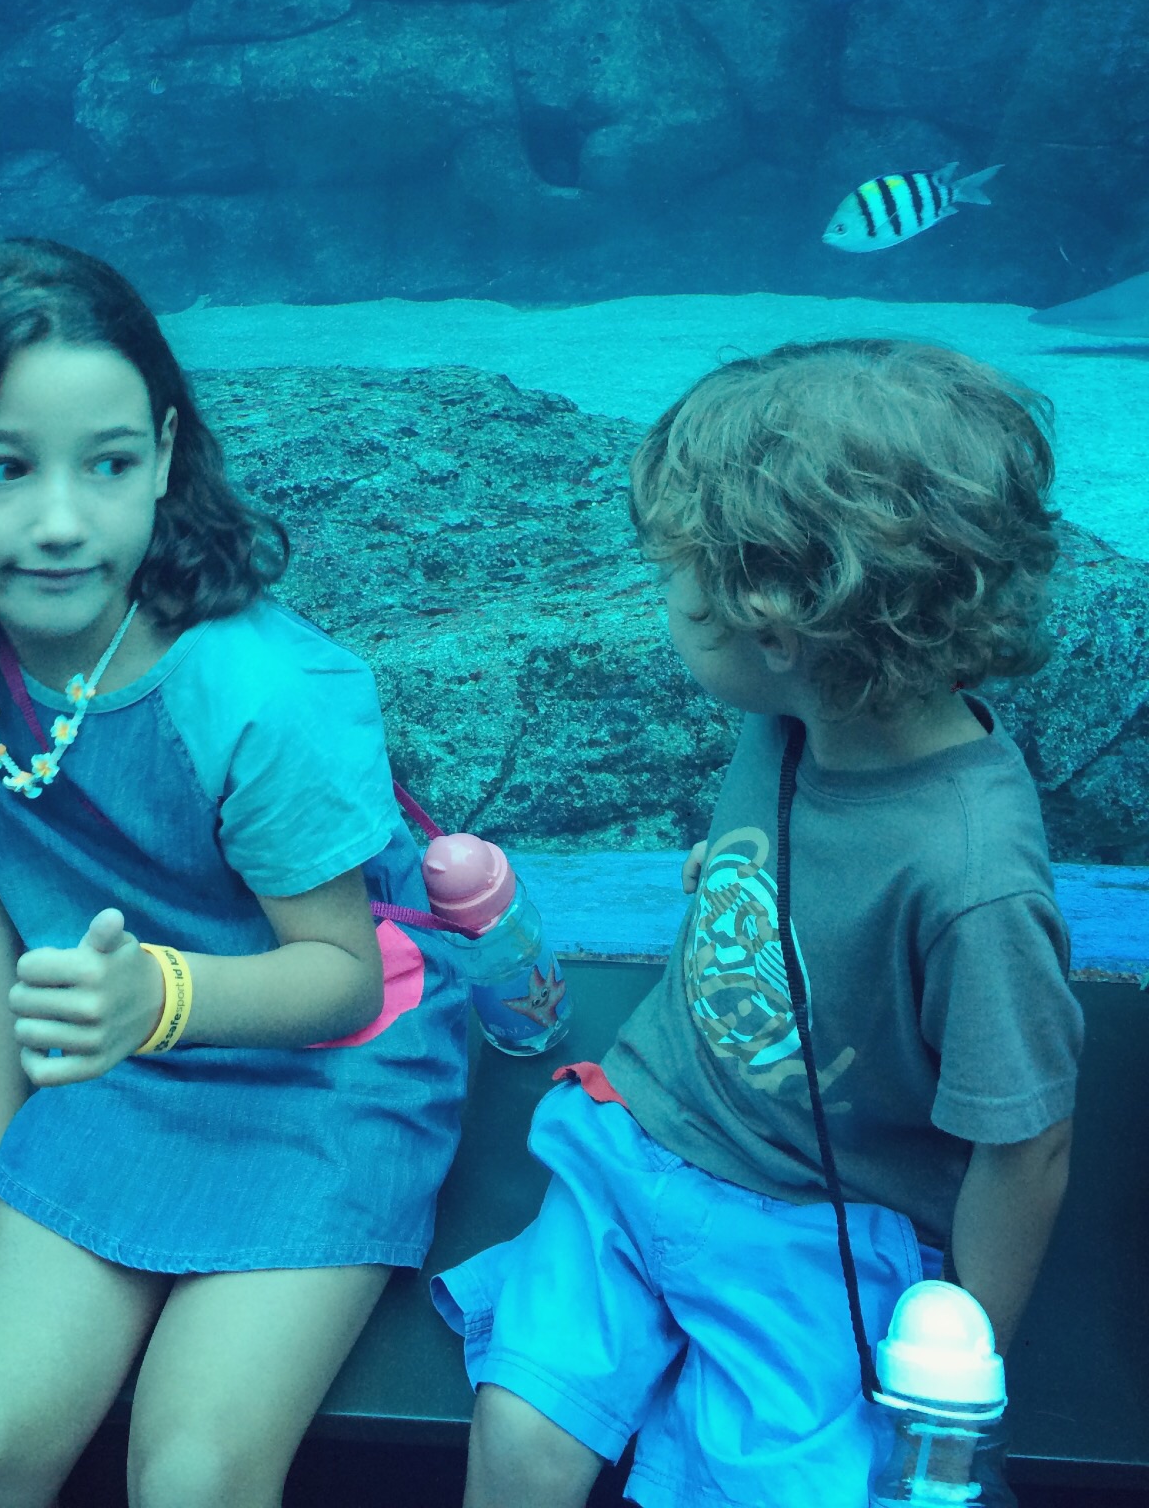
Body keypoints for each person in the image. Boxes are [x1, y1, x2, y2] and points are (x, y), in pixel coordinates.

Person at [0, 236, 469, 1508]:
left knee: (191, 1477)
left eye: (110, 464)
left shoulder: (257, 693)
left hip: (323, 1068)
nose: (63, 520)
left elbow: (343, 980)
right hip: (114, 1059)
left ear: (166, 460)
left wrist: (159, 1005)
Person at [432, 337, 1082, 1508]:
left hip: (817, 1231)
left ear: (778, 626)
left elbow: (1026, 1144)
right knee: (521, 1441)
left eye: (677, 584)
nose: (667, 602)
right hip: (642, 1140)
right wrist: (737, 874)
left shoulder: (975, 881)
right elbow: (804, 856)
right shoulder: (808, 713)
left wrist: (953, 1359)